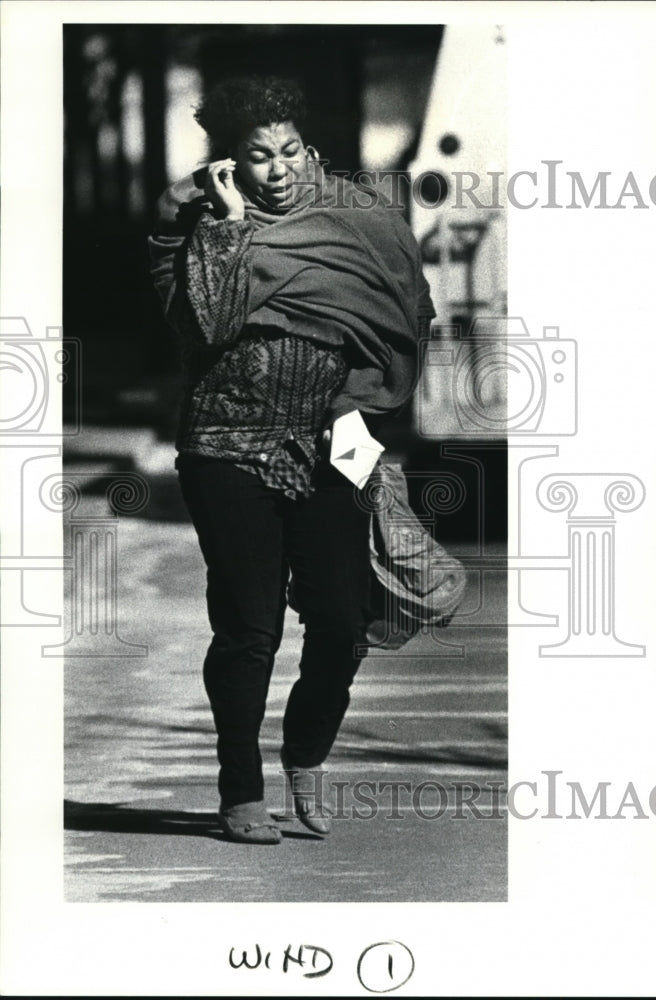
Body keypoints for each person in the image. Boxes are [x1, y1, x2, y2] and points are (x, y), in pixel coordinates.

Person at [148, 75, 434, 844]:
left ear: (310, 151)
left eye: (289, 152)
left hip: (327, 441)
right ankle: (240, 789)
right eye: (257, 157)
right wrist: (230, 224)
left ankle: (306, 754)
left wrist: (364, 437)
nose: (277, 170)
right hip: (226, 447)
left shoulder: (356, 221)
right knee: (250, 627)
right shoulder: (191, 230)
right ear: (230, 166)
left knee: (342, 622)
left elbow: (405, 311)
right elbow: (210, 321)